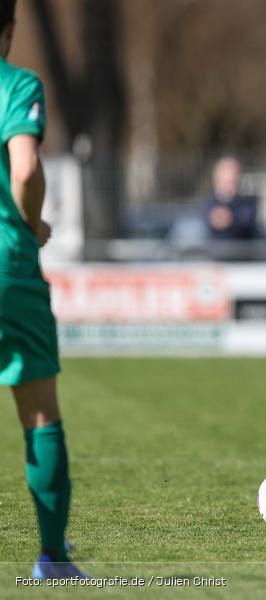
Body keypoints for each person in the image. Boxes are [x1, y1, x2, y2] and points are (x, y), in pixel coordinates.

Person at [0, 0, 88, 579]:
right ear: (8, 28)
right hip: (6, 267)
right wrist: (31, 228)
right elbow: (26, 170)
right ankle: (53, 557)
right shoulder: (17, 83)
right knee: (38, 416)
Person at [202, 156, 258, 241]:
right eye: (226, 182)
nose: (230, 187)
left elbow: (246, 220)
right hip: (215, 252)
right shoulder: (207, 203)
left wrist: (230, 219)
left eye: (234, 182)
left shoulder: (248, 203)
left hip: (243, 252)